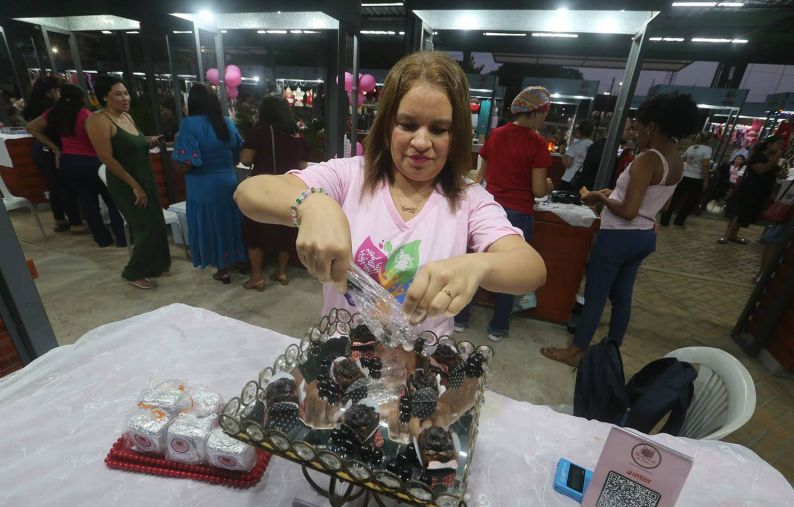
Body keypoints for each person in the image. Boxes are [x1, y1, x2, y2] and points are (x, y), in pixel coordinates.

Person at [234, 51, 547, 337]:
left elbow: (531, 268)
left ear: (456, 136)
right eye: (407, 125)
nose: (421, 142)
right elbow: (250, 192)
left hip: (421, 369)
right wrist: (311, 204)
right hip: (342, 362)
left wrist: (479, 266)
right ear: (386, 127)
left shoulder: (469, 199)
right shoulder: (350, 175)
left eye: (438, 129)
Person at [541, 93, 700, 367]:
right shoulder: (676, 160)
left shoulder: (647, 160)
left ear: (652, 127)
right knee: (622, 297)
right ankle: (611, 351)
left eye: (638, 128)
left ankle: (576, 351)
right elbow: (658, 202)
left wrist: (601, 198)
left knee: (596, 295)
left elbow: (627, 211)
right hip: (644, 235)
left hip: (618, 237)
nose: (635, 134)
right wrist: (613, 193)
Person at [453, 86, 553, 341]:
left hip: (486, 209)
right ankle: (498, 328)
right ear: (538, 112)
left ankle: (461, 319)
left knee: (473, 265)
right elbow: (539, 189)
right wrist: (550, 185)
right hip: (518, 213)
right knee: (510, 273)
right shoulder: (537, 143)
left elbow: (479, 175)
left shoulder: (496, 135)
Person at [86, 75, 171, 289]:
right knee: (145, 227)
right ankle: (134, 272)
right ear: (105, 97)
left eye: (125, 93)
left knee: (157, 223)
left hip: (145, 176)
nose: (125, 98)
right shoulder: (99, 120)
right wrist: (134, 185)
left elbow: (132, 142)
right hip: (126, 182)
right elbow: (106, 157)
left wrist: (147, 140)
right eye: (118, 94)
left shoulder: (127, 117)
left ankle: (155, 266)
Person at [27, 84, 126, 248]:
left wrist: (56, 148)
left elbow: (31, 127)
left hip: (68, 162)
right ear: (81, 98)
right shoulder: (86, 115)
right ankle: (122, 239)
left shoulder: (54, 114)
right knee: (112, 199)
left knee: (87, 201)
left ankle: (102, 239)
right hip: (92, 162)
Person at [172, 83, 246, 283]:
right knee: (229, 222)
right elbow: (238, 154)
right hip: (227, 181)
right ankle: (238, 259)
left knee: (209, 225)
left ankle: (222, 270)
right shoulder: (227, 123)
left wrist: (176, 148)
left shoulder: (189, 125)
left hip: (202, 185)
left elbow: (186, 163)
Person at [239, 96, 308, 290]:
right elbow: (303, 165)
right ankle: (282, 272)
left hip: (263, 190)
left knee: (255, 231)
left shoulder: (260, 132)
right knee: (286, 230)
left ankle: (257, 277)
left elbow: (245, 159)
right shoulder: (297, 136)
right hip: (289, 190)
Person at [22, 76, 86, 234]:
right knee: (64, 186)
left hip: (40, 150)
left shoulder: (34, 105)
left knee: (54, 186)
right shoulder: (52, 108)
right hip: (49, 151)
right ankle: (76, 223)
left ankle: (60, 220)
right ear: (51, 91)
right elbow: (32, 128)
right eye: (57, 90)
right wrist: (55, 148)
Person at [718, 136, 784, 244]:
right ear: (769, 145)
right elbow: (760, 170)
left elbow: (774, 172)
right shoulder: (758, 156)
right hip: (751, 189)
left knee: (746, 213)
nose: (780, 147)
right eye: (778, 144)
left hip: (761, 191)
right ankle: (726, 235)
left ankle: (733, 235)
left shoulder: (771, 159)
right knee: (740, 212)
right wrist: (774, 160)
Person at [660, 132, 712, 226]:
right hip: (696, 178)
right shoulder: (707, 149)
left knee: (675, 198)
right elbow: (705, 165)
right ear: (708, 140)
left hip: (684, 175)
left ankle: (665, 220)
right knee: (691, 201)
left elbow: (682, 159)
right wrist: (706, 180)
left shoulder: (691, 148)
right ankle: (679, 221)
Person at [571, 117, 637, 192]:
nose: (631, 132)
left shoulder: (602, 146)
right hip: (593, 196)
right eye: (628, 129)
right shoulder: (604, 150)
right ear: (618, 129)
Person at [559, 119, 594, 191]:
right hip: (583, 181)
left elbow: (567, 164)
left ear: (580, 131)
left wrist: (563, 153)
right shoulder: (592, 145)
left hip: (569, 179)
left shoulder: (575, 145)